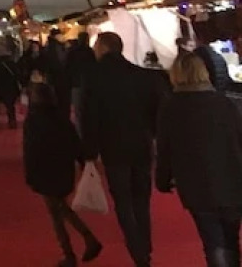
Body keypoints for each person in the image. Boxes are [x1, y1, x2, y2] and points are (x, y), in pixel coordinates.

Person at [79, 31, 166, 267]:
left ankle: (138, 252)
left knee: (124, 201)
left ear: (104, 47)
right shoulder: (142, 76)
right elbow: (158, 111)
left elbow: (88, 117)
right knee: (141, 199)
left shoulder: (94, 78)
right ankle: (144, 247)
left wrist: (89, 152)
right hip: (141, 144)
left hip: (113, 146)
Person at [156, 50, 242, 267]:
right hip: (232, 181)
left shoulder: (171, 108)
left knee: (213, 241)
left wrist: (163, 179)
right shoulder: (225, 103)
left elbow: (165, 148)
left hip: (195, 185)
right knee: (231, 238)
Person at [24, 80, 103, 266]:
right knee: (59, 209)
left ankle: (80, 244)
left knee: (58, 210)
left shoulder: (34, 120)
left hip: (44, 170)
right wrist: (83, 161)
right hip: (63, 168)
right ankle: (74, 249)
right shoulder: (60, 117)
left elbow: (30, 150)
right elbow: (74, 141)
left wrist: (30, 175)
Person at [0, 38, 23, 128]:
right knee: (10, 103)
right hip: (10, 84)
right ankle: (11, 119)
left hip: (0, 83)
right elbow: (17, 73)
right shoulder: (11, 60)